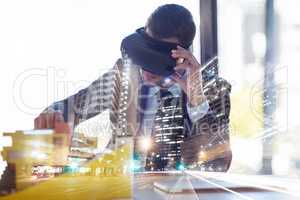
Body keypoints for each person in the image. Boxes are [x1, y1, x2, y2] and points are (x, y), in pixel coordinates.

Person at [34, 4, 232, 171]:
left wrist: (197, 100)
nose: (146, 71)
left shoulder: (215, 89)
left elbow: (219, 163)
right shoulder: (125, 76)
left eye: (155, 64)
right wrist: (55, 114)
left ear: (182, 56)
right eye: (144, 57)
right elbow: (73, 107)